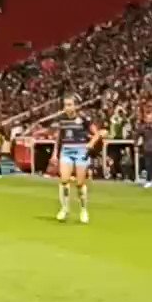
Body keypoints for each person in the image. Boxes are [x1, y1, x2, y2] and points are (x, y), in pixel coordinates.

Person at [52, 96, 102, 224]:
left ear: (75, 106)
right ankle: (65, 208)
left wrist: (91, 143)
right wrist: (54, 154)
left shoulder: (84, 119)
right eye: (65, 105)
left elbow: (97, 133)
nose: (67, 107)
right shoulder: (61, 119)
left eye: (70, 105)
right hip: (66, 151)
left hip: (81, 151)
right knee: (64, 180)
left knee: (80, 184)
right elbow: (58, 138)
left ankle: (83, 210)